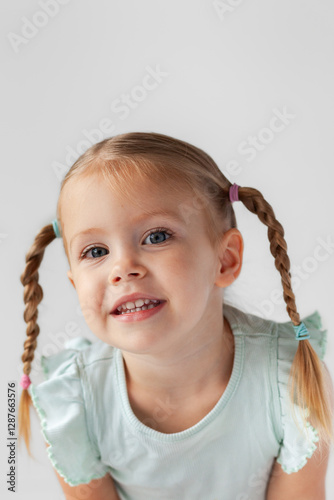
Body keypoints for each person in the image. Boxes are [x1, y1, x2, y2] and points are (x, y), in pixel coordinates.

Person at [19, 132, 333, 500]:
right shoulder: (76, 403)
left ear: (225, 259)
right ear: (75, 283)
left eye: (156, 237)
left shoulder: (290, 379)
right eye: (96, 251)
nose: (122, 268)